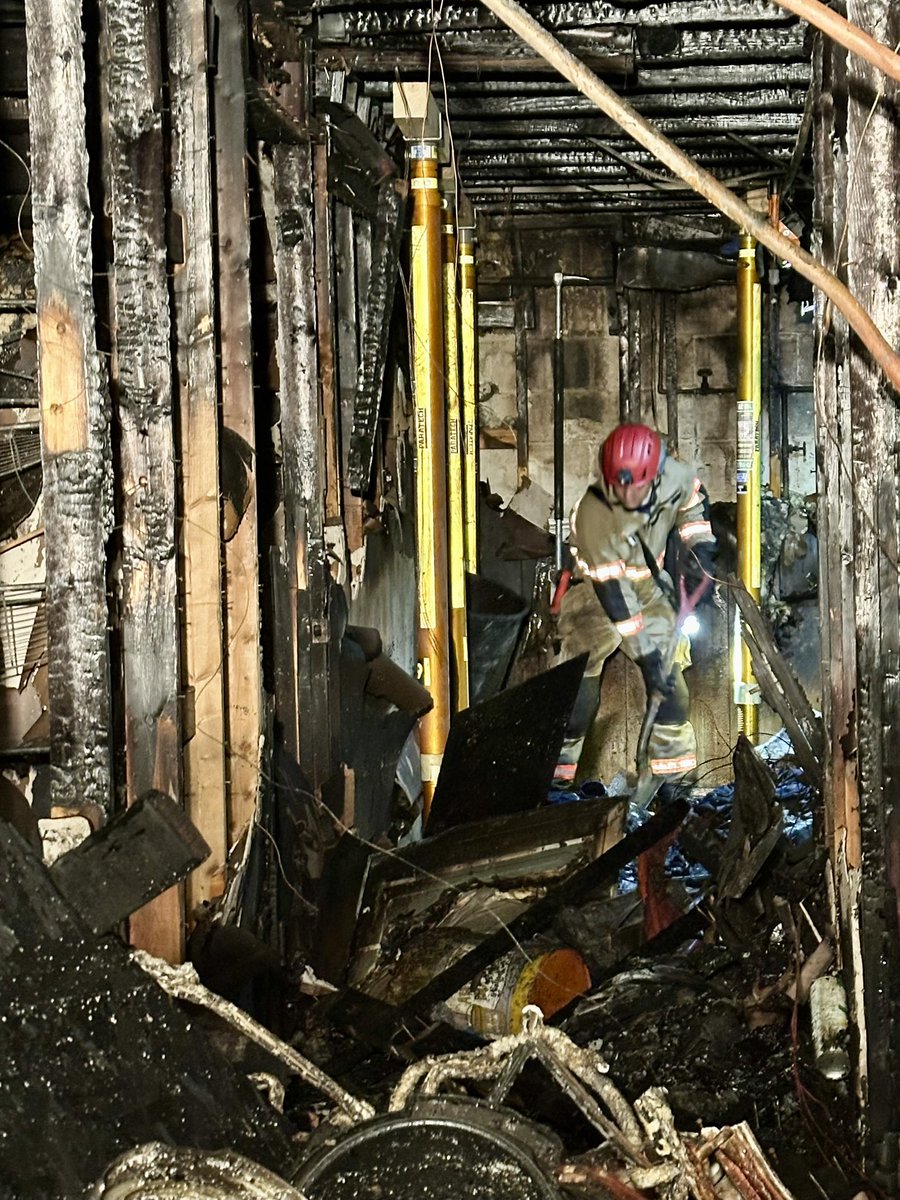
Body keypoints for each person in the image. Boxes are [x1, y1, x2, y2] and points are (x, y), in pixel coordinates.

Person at [555, 422, 717, 792]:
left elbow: (693, 514)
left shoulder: (675, 479)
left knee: (672, 686)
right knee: (577, 681)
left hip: (646, 583)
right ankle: (557, 782)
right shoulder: (594, 516)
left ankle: (671, 782)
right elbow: (617, 603)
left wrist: (700, 555)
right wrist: (647, 660)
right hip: (597, 587)